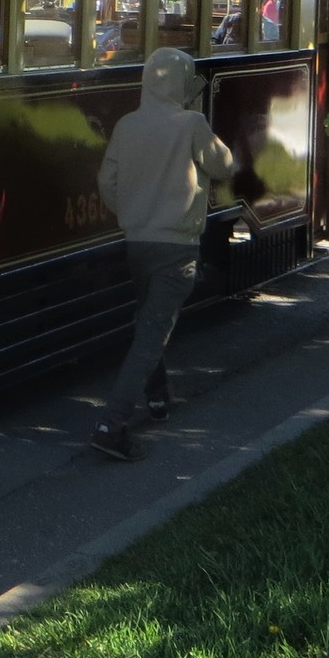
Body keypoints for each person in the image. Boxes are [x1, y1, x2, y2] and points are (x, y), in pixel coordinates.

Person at [89, 46, 236, 461]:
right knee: (152, 335)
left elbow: (108, 182)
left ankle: (157, 397)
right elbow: (224, 165)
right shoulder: (191, 122)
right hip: (178, 247)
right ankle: (110, 425)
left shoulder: (127, 124)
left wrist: (133, 215)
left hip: (138, 242)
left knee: (148, 322)